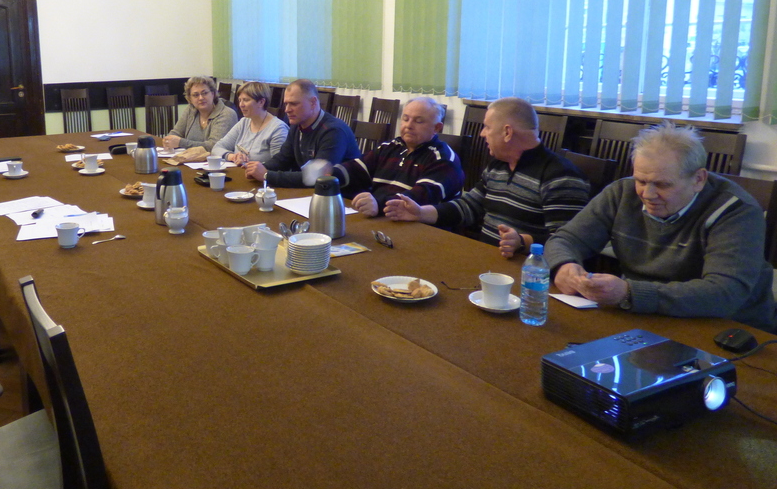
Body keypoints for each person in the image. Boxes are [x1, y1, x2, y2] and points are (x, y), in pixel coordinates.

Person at [546, 123, 776, 331]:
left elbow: (724, 293)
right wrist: (564, 266)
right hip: (648, 316)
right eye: (641, 181)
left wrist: (628, 293)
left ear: (698, 179)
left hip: (730, 329)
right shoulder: (621, 192)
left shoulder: (737, 211)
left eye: (663, 185)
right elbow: (564, 239)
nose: (647, 194)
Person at [385, 97, 589, 257]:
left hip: (528, 276)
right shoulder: (498, 166)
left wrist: (522, 242)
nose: (482, 134)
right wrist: (420, 213)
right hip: (486, 260)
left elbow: (569, 242)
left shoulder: (560, 176)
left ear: (507, 132)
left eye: (487, 127)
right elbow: (469, 206)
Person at [332, 97, 464, 217]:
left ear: (437, 128)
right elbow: (356, 170)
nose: (409, 125)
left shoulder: (444, 159)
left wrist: (378, 204)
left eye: (418, 121)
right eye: (405, 119)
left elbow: (419, 198)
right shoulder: (389, 147)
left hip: (420, 227)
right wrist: (329, 175)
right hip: (382, 218)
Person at [244, 80, 362, 188]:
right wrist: (258, 168)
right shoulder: (297, 125)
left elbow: (316, 177)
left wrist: (267, 175)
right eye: (286, 104)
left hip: (345, 197)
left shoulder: (333, 131)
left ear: (313, 102)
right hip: (312, 193)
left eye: (294, 104)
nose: (287, 109)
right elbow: (283, 159)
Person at [210, 81, 289, 165]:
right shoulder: (244, 122)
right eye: (240, 100)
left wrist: (250, 165)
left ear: (261, 102)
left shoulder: (278, 129)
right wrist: (232, 156)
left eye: (246, 100)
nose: (241, 105)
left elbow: (279, 165)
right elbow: (217, 148)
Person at [162, 76, 238, 152]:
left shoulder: (227, 114)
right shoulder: (191, 109)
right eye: (196, 95)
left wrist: (181, 143)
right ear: (190, 98)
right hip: (191, 158)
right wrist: (168, 140)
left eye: (204, 93)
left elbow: (214, 146)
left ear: (213, 94)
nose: (201, 98)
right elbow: (176, 132)